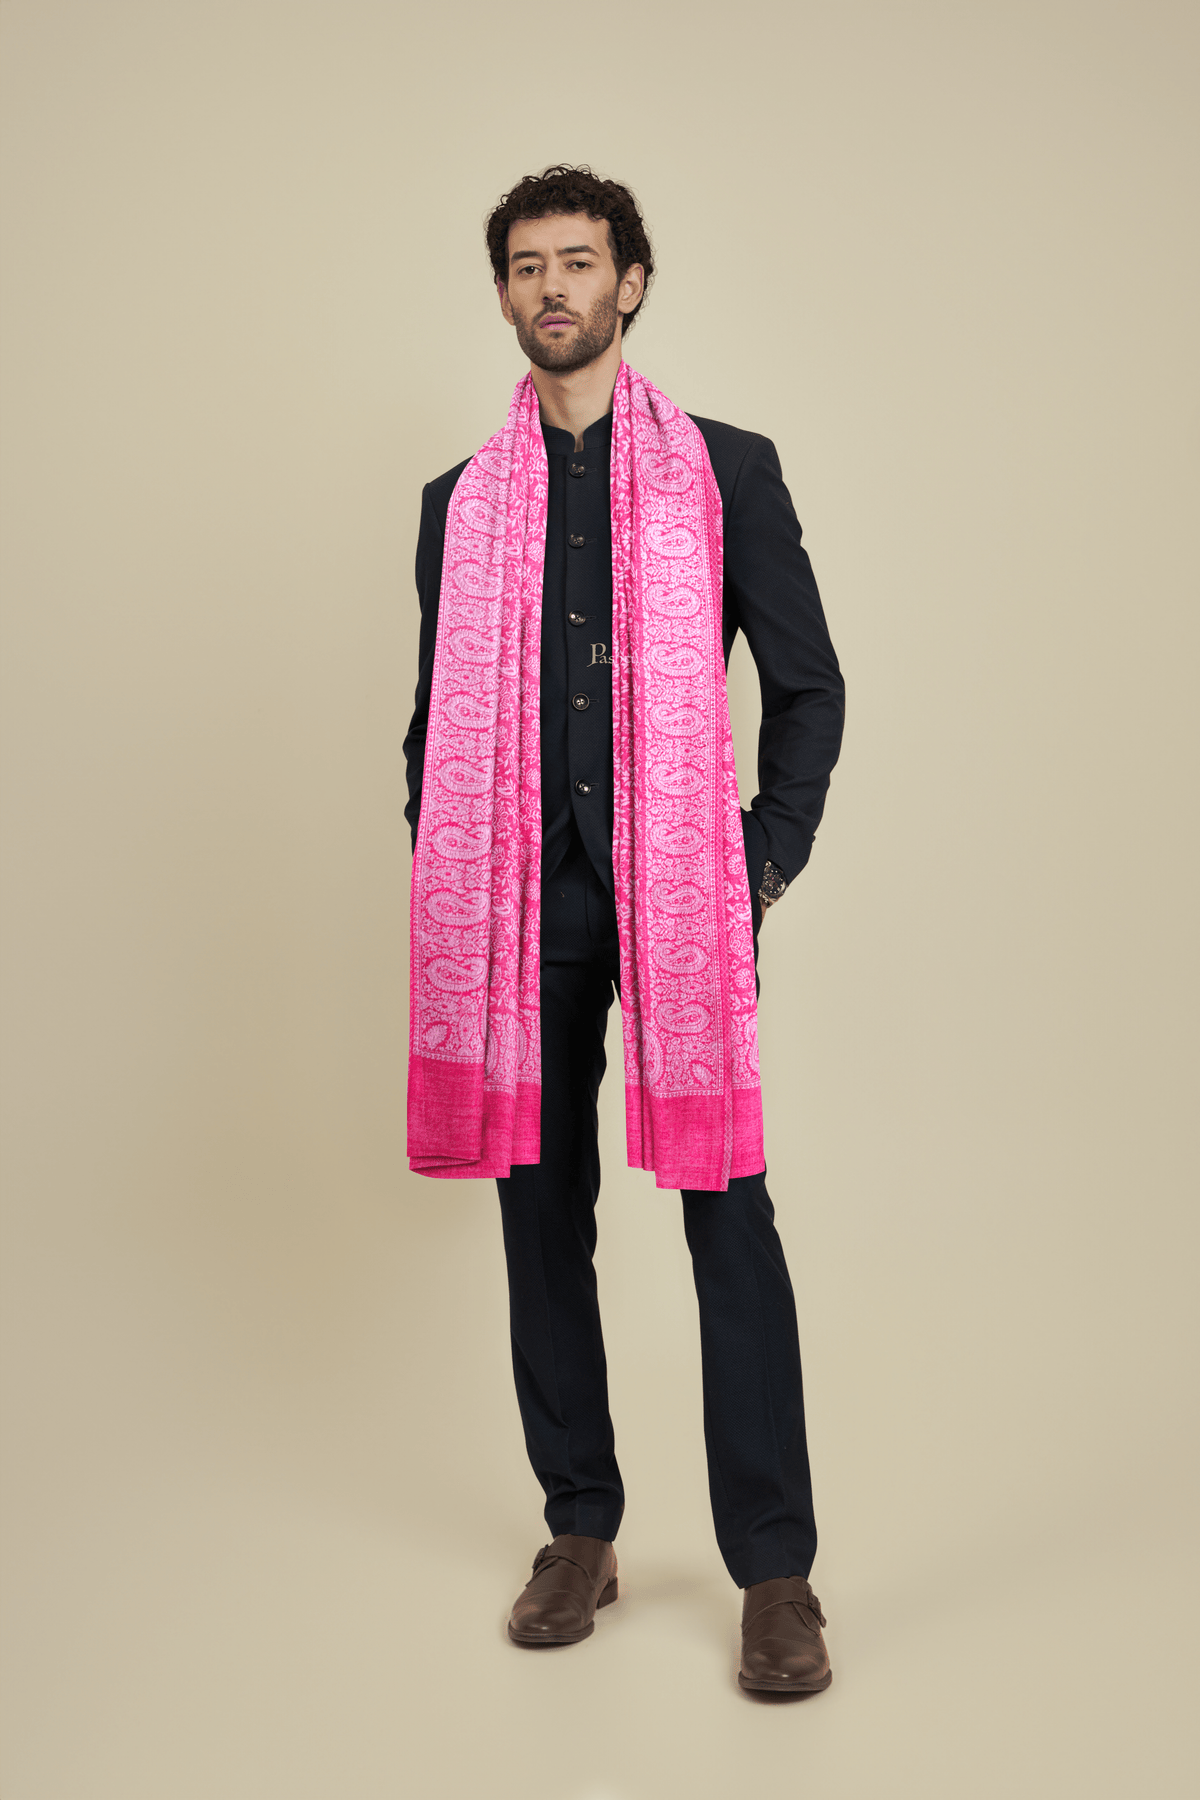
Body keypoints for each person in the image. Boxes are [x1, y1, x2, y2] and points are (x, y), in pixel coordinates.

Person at [403, 165, 844, 1695]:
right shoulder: (459, 506)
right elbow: (435, 723)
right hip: (520, 913)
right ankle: (579, 1529)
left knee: (728, 1214)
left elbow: (809, 686)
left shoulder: (727, 470)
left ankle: (776, 1573)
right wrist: (448, 861)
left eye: (579, 262)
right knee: (540, 1215)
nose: (553, 288)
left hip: (680, 903)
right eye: (528, 265)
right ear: (505, 294)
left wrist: (756, 863)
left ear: (630, 284)